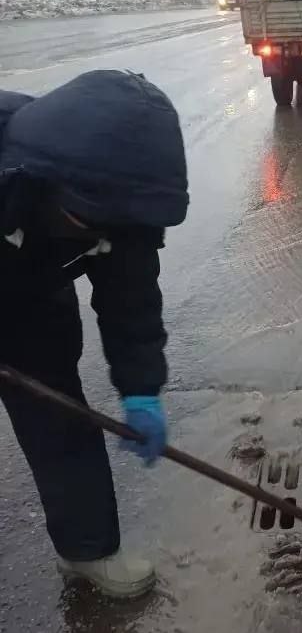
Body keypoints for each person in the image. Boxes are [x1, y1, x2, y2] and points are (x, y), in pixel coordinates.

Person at [0, 70, 188, 599]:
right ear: (52, 186)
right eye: (96, 222)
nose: (113, 234)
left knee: (58, 414)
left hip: (31, 295)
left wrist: (141, 390)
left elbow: (131, 305)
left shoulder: (117, 194)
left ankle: (87, 550)